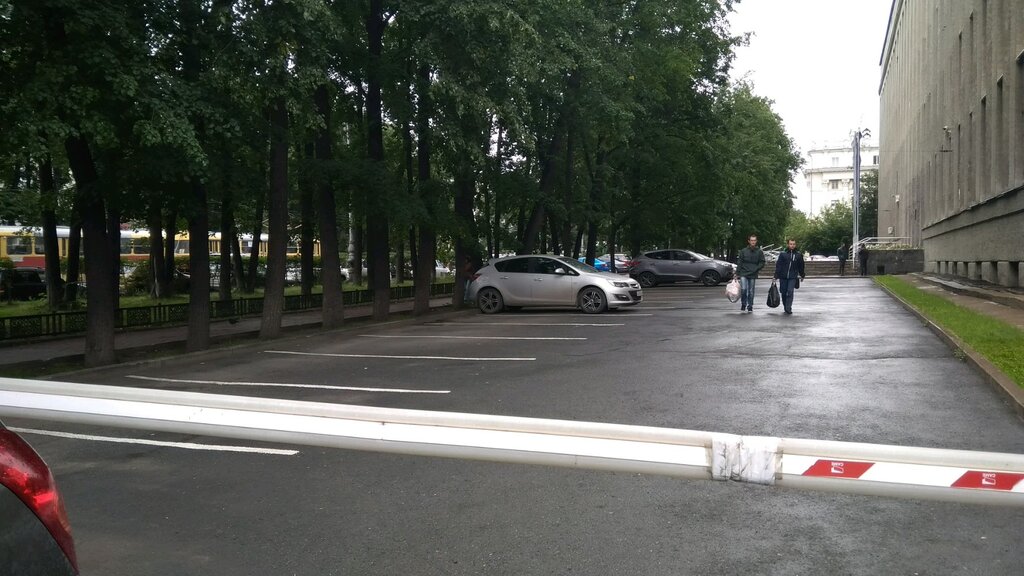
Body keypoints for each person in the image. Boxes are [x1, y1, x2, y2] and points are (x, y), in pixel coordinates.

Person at [773, 238, 805, 315]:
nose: (792, 245)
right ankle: (785, 305)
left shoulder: (798, 255)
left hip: (793, 276)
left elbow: (801, 266)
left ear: (795, 245)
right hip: (783, 276)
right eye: (791, 244)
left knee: (790, 291)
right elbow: (779, 265)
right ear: (788, 244)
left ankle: (788, 308)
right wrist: (776, 276)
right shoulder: (783, 254)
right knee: (783, 292)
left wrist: (802, 275)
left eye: (793, 244)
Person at [735, 234, 765, 313]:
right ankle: (743, 303)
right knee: (743, 289)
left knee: (751, 291)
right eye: (751, 240)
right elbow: (740, 262)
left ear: (756, 241)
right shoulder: (743, 251)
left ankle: (750, 305)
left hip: (753, 273)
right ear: (749, 241)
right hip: (743, 272)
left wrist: (756, 268)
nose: (753, 242)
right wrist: (737, 273)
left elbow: (762, 262)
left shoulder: (759, 252)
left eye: (754, 240)